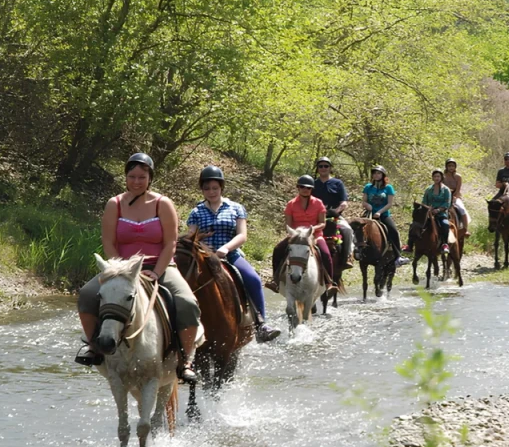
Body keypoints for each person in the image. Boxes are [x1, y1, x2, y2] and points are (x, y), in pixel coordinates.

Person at [75, 153, 200, 383]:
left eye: (142, 177)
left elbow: (171, 242)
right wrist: (121, 270)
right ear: (126, 177)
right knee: (87, 294)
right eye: (132, 176)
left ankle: (186, 359)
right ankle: (93, 347)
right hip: (121, 268)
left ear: (150, 178)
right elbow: (108, 242)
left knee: (187, 302)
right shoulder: (115, 204)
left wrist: (157, 271)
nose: (136, 181)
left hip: (158, 265)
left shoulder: (163, 204)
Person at [186, 166, 280, 343]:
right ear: (202, 190)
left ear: (221, 188)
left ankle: (261, 324)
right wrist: (201, 243)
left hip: (230, 255)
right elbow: (191, 237)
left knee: (253, 279)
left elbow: (242, 235)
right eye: (207, 188)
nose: (211, 192)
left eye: (215, 188)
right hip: (205, 258)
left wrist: (226, 249)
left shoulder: (235, 208)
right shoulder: (196, 212)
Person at [265, 175, 336, 294]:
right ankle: (275, 280)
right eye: (302, 187)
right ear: (298, 187)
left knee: (325, 253)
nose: (305, 189)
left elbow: (322, 223)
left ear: (311, 189)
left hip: (314, 235)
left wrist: (312, 229)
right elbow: (288, 224)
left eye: (308, 188)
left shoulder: (318, 203)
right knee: (277, 249)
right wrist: (296, 234)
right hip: (296, 235)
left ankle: (329, 282)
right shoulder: (291, 204)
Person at [361, 165, 410, 266]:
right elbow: (363, 202)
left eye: (378, 173)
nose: (376, 175)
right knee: (357, 229)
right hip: (369, 214)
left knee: (394, 231)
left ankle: (398, 257)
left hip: (383, 214)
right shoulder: (368, 187)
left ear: (383, 175)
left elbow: (389, 203)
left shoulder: (388, 188)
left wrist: (379, 212)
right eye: (374, 173)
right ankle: (356, 253)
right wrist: (368, 205)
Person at [312, 156, 353, 270]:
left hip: (334, 216)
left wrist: (334, 211)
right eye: (321, 166)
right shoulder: (313, 184)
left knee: (348, 230)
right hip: (316, 217)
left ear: (330, 168)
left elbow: (344, 203)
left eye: (326, 166)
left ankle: (347, 257)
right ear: (317, 168)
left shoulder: (337, 183)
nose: (323, 168)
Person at [422, 169, 453, 254]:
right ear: (432, 178)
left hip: (441, 213)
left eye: (438, 176)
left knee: (445, 224)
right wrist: (429, 209)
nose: (436, 178)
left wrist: (438, 210)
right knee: (416, 225)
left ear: (441, 177)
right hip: (429, 213)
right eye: (435, 176)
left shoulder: (446, 190)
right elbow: (424, 202)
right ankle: (411, 245)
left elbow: (447, 203)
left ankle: (444, 244)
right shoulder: (428, 189)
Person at [442, 159, 471, 236]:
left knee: (461, 209)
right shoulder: (443, 177)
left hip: (455, 196)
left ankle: (465, 229)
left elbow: (458, 189)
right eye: (449, 166)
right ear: (446, 167)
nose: (451, 168)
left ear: (455, 167)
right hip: (445, 196)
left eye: (452, 166)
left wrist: (454, 197)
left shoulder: (458, 177)